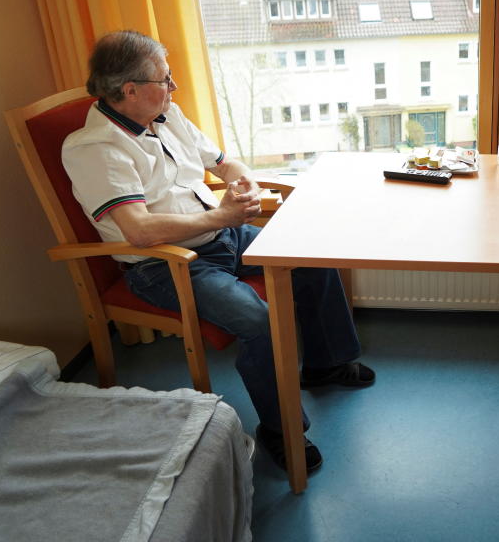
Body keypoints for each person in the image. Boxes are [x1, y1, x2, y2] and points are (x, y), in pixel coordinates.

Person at [63, 30, 374, 472]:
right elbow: (139, 230)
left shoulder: (166, 115)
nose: (173, 88)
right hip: (164, 263)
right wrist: (220, 218)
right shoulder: (95, 148)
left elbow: (224, 163)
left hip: (219, 235)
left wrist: (242, 181)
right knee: (257, 320)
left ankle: (326, 364)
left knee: (311, 257)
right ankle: (281, 429)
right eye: (164, 80)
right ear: (129, 90)